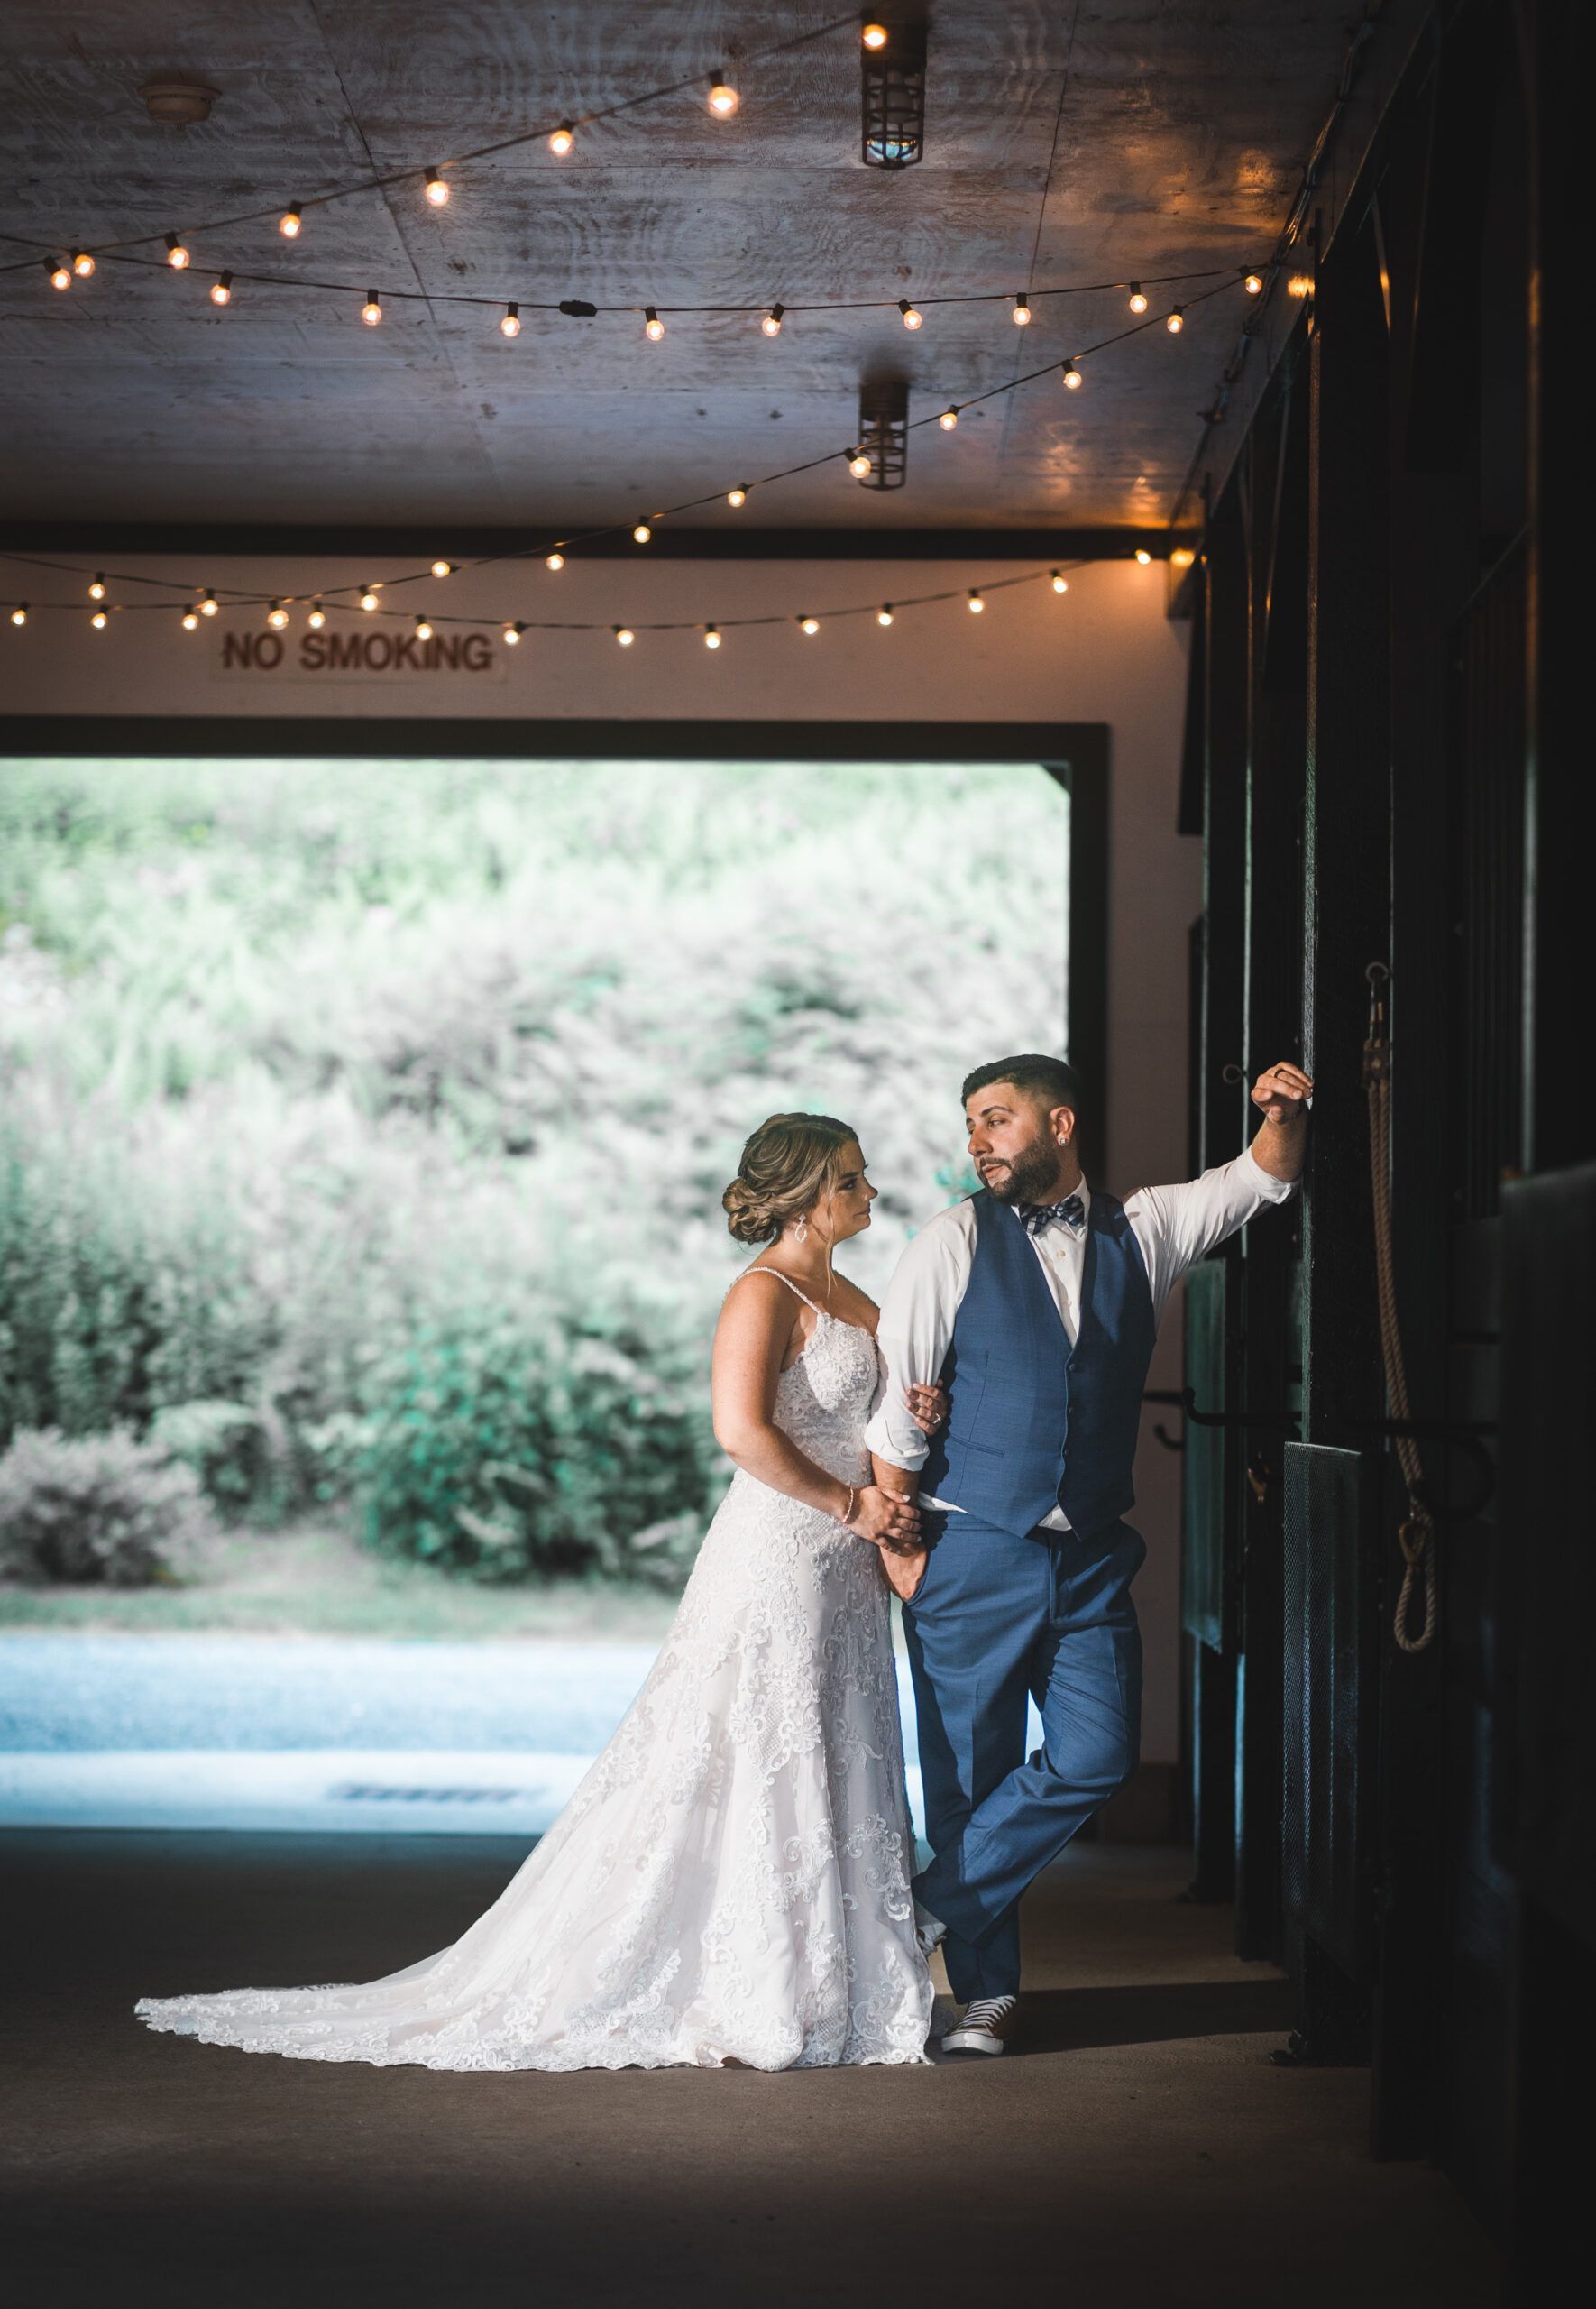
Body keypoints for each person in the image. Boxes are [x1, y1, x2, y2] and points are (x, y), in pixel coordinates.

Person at [134, 1113, 944, 2072]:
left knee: (835, 1747)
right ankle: (752, 1983)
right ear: (809, 1194)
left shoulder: (847, 1290)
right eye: (852, 1179)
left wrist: (913, 1409)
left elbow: (873, 1404)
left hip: (847, 1570)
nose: (870, 1193)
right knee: (758, 1748)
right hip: (781, 1554)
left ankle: (834, 1979)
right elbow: (741, 1432)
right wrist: (849, 1503)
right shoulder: (761, 1294)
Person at [866, 1053, 1313, 2056]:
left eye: (996, 1118)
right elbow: (899, 1401)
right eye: (970, 1123)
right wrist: (900, 1542)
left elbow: (1259, 1180)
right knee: (970, 1780)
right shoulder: (949, 1240)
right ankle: (985, 1996)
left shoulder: (1142, 1230)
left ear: (1058, 1124)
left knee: (1099, 1753)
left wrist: (1282, 1113)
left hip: (1091, 1557)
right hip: (968, 1545)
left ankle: (931, 1905)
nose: (976, 1140)